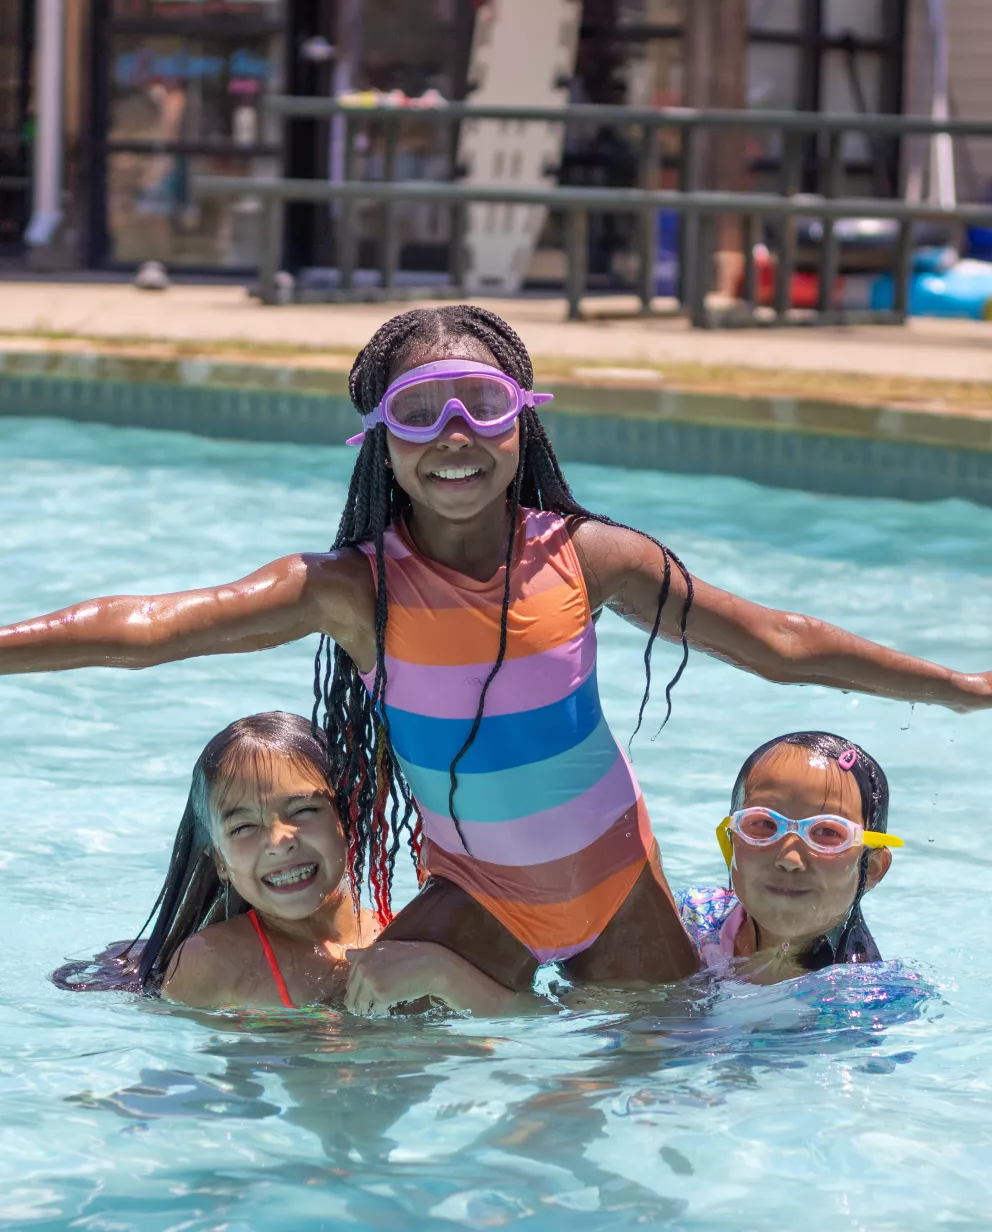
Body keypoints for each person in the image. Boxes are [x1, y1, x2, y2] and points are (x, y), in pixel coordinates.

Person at [8, 305, 990, 1004]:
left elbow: (777, 642)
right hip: (477, 897)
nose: (453, 438)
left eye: (481, 405)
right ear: (378, 441)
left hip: (617, 888)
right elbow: (148, 627)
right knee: (374, 1025)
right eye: (417, 415)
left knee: (668, 1072)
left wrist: (954, 687)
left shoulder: (587, 556)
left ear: (522, 418)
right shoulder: (353, 587)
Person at [52, 711, 506, 1014]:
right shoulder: (216, 962)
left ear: (348, 818)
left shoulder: (411, 936)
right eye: (243, 828)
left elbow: (525, 1029)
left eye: (304, 811)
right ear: (221, 863)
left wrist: (441, 974)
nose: (278, 842)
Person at [677, 732, 902, 983]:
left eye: (827, 832)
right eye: (763, 824)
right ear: (732, 840)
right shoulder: (692, 917)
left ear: (872, 868)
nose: (789, 859)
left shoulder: (865, 998)